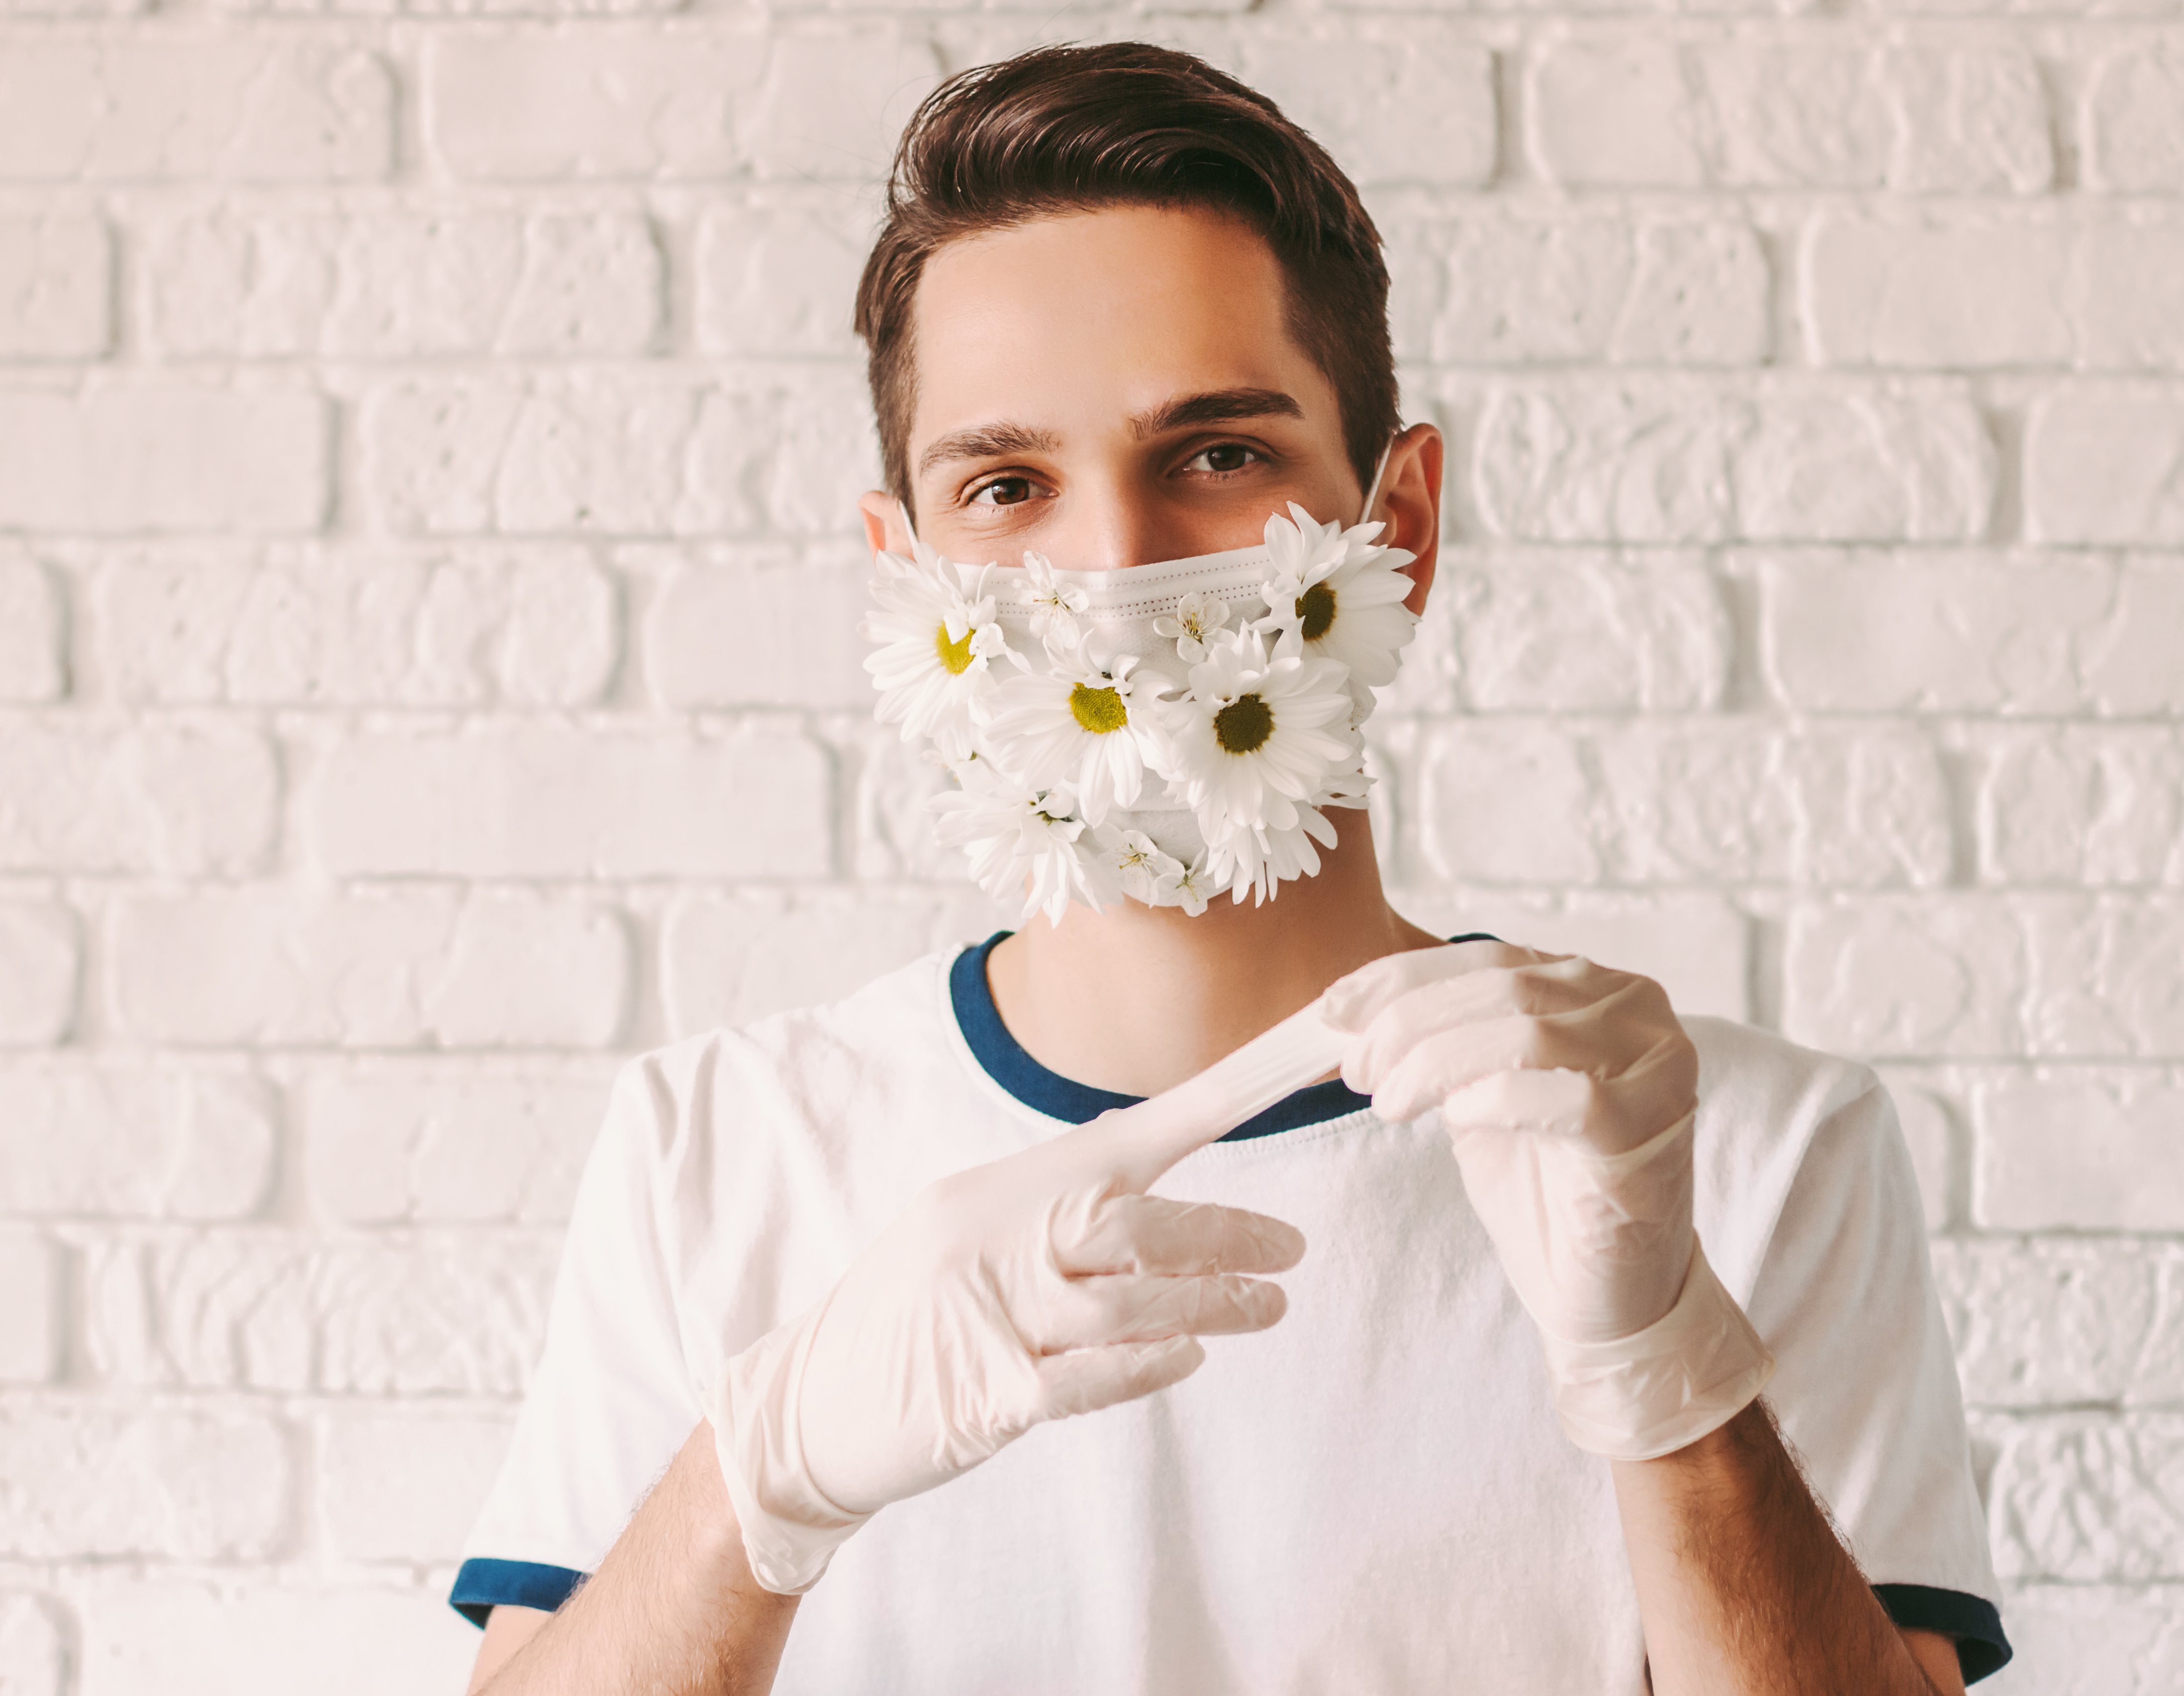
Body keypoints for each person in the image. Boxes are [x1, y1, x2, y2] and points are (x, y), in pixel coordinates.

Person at [450, 42, 2011, 1694]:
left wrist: (1665, 1379)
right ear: (899, 571)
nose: (1113, 565)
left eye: (1216, 457)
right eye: (1006, 486)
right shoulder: (723, 1146)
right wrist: (751, 1485)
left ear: (1395, 521)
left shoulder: (1738, 1148)